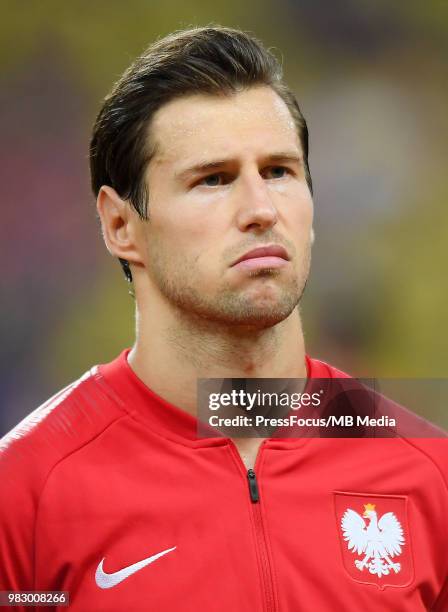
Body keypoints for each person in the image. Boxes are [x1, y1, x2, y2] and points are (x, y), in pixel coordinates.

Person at [0, 26, 447, 612]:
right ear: (119, 226)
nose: (261, 210)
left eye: (280, 172)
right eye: (213, 179)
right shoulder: (26, 493)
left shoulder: (428, 473)